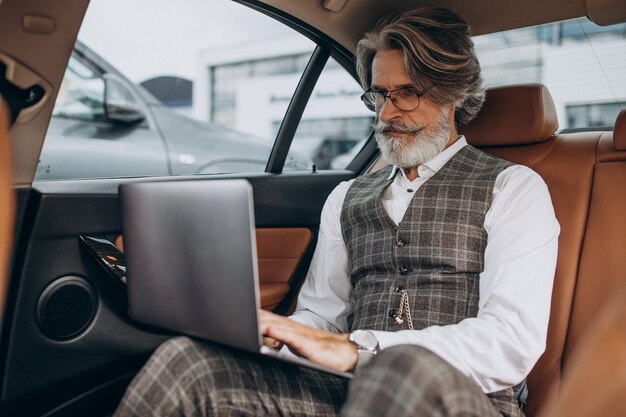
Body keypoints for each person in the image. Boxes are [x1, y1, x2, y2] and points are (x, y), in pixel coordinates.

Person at [113, 7, 559, 417]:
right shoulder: (347, 196)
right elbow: (321, 316)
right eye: (379, 95)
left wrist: (359, 350)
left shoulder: (513, 189)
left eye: (406, 93)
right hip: (347, 390)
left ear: (454, 94)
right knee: (188, 361)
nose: (387, 113)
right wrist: (271, 334)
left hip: (462, 399)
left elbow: (510, 341)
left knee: (405, 372)